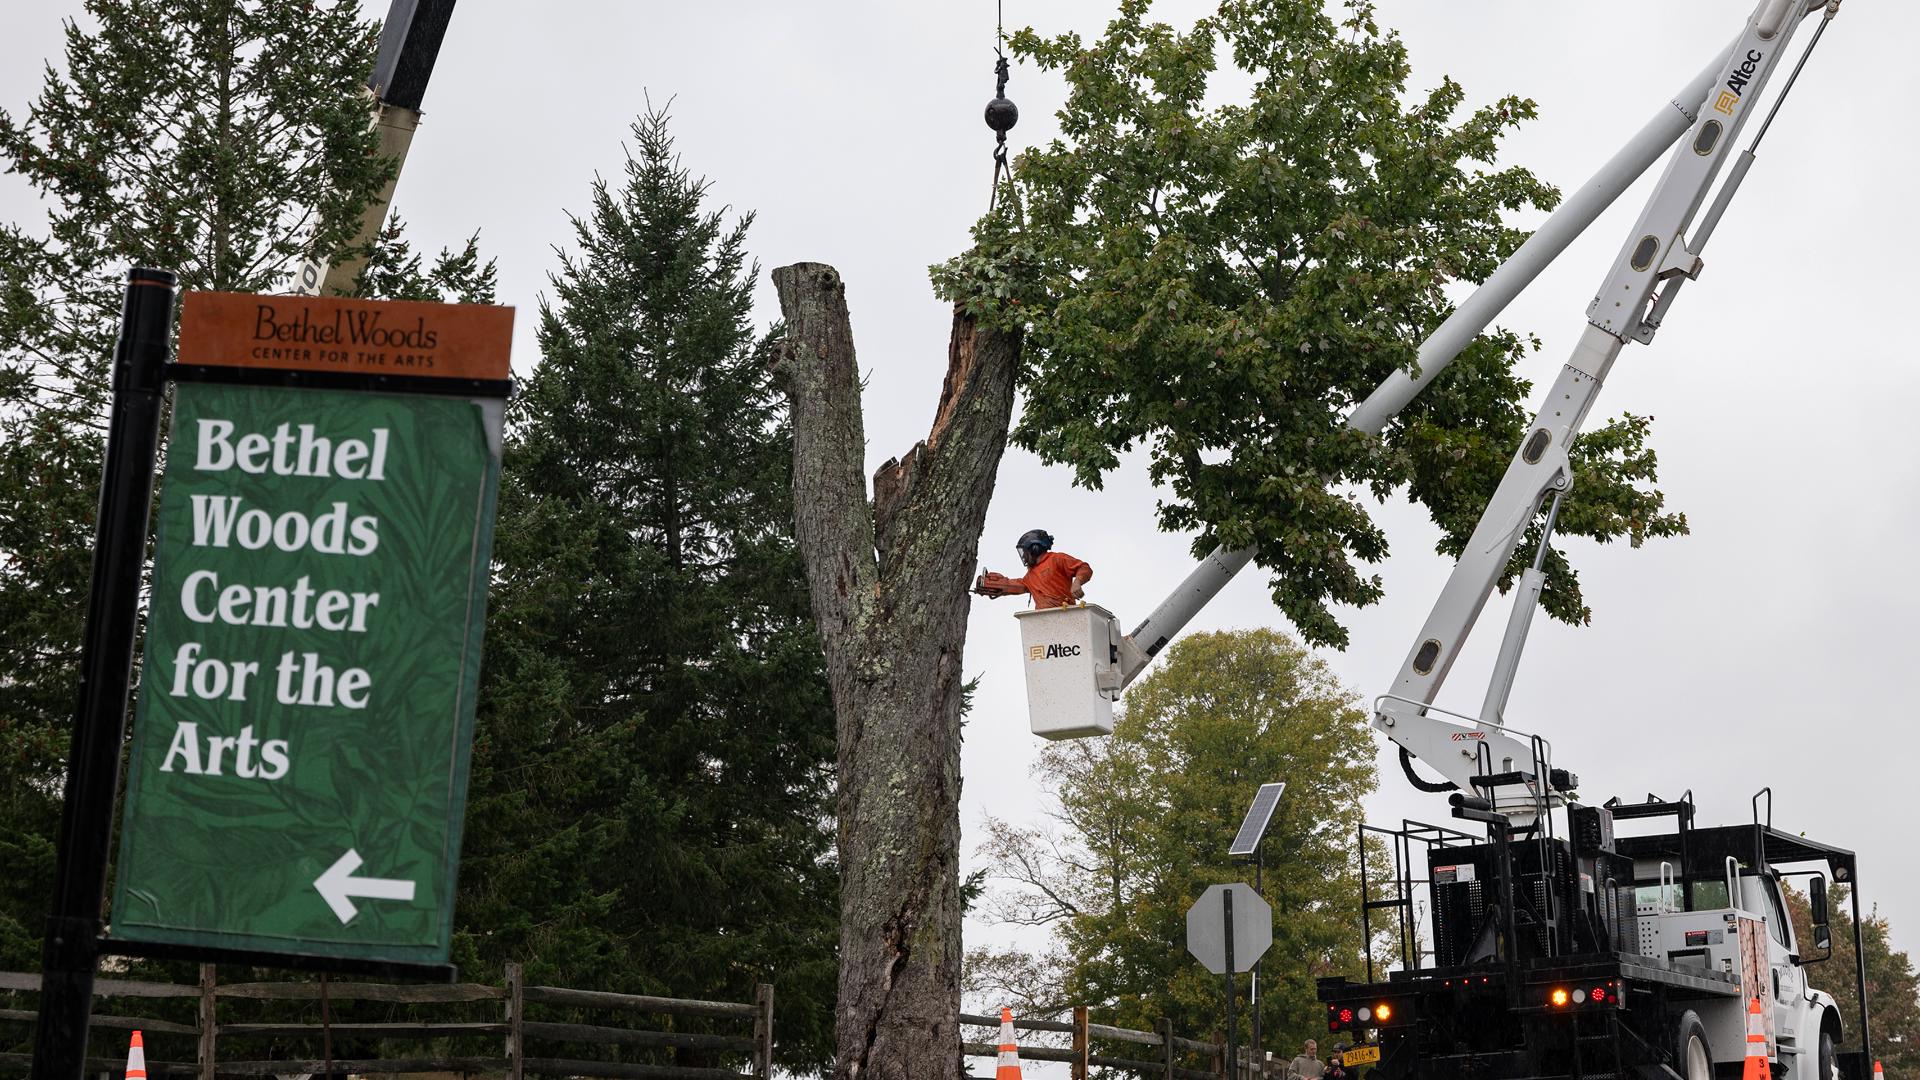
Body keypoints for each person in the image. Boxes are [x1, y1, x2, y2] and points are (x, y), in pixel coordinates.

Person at [972, 529, 1091, 609]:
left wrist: (1077, 582)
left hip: (1066, 614)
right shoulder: (1030, 577)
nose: (1023, 556)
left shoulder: (1057, 559)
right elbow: (1015, 586)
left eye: (1025, 552)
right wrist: (995, 586)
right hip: (1043, 620)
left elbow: (1084, 567)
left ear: (1035, 548)